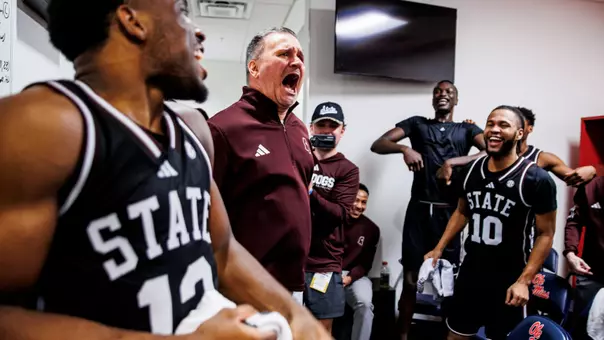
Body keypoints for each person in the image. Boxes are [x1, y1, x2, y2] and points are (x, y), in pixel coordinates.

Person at [0, 1, 330, 339]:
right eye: (182, 12)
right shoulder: (40, 125)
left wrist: (296, 316)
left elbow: (223, 250)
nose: (198, 31)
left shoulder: (192, 130)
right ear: (133, 21)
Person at [426, 105, 557, 340]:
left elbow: (545, 234)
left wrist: (524, 281)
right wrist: (439, 247)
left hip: (510, 279)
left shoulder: (536, 179)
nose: (494, 130)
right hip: (471, 273)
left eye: (503, 125)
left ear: (520, 133)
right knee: (456, 335)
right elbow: (462, 212)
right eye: (490, 124)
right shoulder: (470, 171)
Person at [369, 80, 485, 339]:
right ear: (433, 99)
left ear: (456, 100)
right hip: (419, 211)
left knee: (448, 282)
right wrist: (404, 148)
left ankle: (448, 335)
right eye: (438, 92)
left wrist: (453, 162)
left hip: (450, 214)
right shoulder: (417, 123)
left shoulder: (466, 129)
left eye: (449, 92)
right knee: (410, 279)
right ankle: (402, 335)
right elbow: (377, 144)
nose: (443, 95)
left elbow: (490, 152)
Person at [207, 27, 313, 302]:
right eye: (284, 54)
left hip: (294, 282)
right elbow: (204, 214)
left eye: (300, 55)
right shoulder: (223, 128)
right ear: (254, 68)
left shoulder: (299, 129)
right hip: (245, 284)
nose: (297, 61)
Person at [304, 102, 360, 332]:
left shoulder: (347, 170)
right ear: (311, 128)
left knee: (320, 331)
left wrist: (309, 192)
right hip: (291, 258)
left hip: (323, 262)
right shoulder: (299, 157)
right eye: (321, 125)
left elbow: (340, 214)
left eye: (332, 126)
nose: (326, 131)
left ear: (342, 131)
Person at [564, 176, 604, 337]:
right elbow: (574, 220)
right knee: (582, 325)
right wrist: (570, 253)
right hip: (592, 271)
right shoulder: (591, 187)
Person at [516, 107, 595, 186]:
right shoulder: (503, 155)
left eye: (519, 122)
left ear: (530, 128)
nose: (514, 126)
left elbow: (576, 180)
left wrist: (592, 171)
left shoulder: (543, 158)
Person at [341, 184, 380, 340]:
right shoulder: (332, 219)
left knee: (365, 304)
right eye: (355, 200)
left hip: (355, 276)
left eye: (363, 202)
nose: (359, 206)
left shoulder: (371, 229)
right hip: (328, 272)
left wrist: (350, 278)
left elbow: (365, 264)